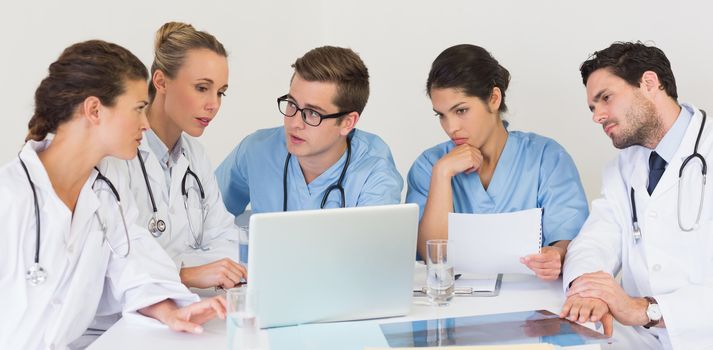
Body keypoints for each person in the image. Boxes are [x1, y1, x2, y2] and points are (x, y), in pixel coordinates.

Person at [0, 40, 225, 350]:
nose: (146, 124)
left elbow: (133, 264)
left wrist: (171, 313)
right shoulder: (9, 197)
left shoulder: (108, 187)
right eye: (138, 109)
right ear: (94, 110)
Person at [561, 42, 713, 350]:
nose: (597, 116)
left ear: (649, 83)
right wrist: (588, 289)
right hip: (639, 338)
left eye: (606, 98)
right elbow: (594, 241)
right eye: (593, 107)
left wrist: (646, 310)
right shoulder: (622, 168)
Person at [406, 44, 589, 280]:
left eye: (461, 110)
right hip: (454, 307)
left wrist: (557, 253)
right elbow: (431, 258)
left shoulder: (546, 157)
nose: (451, 127)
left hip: (533, 305)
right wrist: (442, 175)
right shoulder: (429, 165)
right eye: (441, 115)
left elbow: (570, 239)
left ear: (493, 99)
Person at [108, 22, 246, 290]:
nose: (214, 105)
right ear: (160, 81)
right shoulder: (118, 154)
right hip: (125, 318)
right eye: (202, 88)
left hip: (186, 308)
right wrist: (185, 272)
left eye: (220, 92)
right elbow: (117, 258)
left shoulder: (195, 156)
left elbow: (223, 238)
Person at [215, 46, 402, 215]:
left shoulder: (373, 168)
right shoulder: (256, 150)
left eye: (313, 113)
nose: (295, 123)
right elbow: (204, 219)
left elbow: (374, 250)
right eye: (292, 104)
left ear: (347, 122)